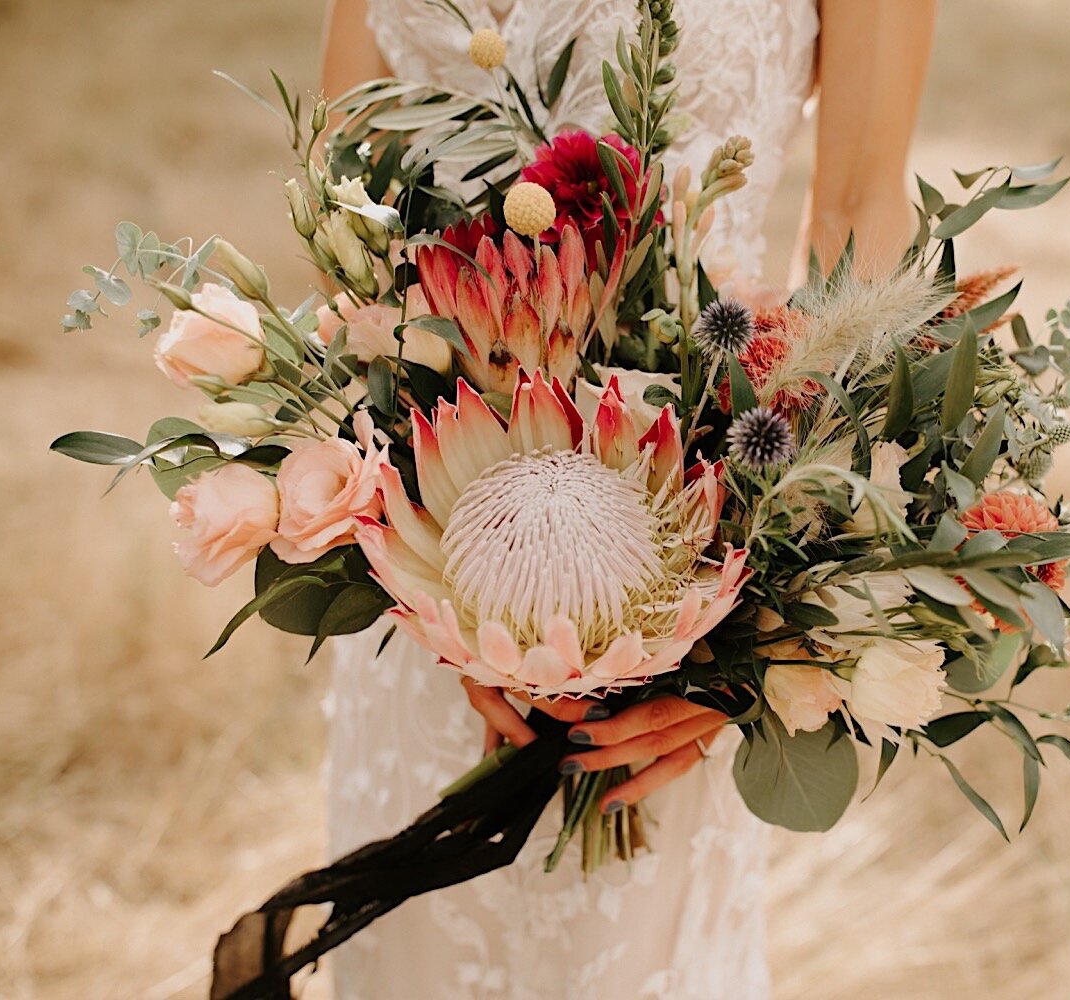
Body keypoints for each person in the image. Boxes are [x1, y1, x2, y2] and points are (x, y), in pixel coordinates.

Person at [320, 2, 936, 996]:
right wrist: (451, 590)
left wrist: (755, 629)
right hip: (433, 566)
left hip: (678, 593)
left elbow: (860, 214)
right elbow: (345, 211)